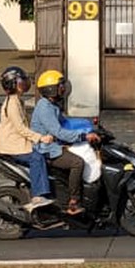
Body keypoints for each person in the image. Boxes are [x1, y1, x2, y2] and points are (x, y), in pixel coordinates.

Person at [32, 69, 101, 216]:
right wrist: (83, 137)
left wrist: (87, 125)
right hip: (47, 149)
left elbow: (66, 122)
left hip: (55, 145)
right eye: (60, 86)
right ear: (51, 89)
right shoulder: (44, 108)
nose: (63, 89)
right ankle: (74, 202)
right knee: (77, 163)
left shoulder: (52, 105)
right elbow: (59, 132)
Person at [0, 66, 56, 211]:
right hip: (12, 146)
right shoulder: (12, 104)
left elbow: (26, 125)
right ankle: (38, 196)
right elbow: (21, 128)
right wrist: (40, 138)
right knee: (37, 157)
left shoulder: (17, 101)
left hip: (17, 143)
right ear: (13, 83)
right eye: (22, 79)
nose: (26, 82)